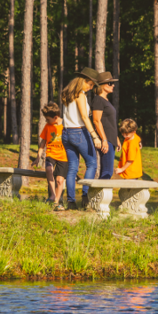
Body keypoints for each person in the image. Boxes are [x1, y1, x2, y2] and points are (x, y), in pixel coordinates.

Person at [61, 67, 102, 209]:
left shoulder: (67, 94)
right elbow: (84, 117)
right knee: (92, 163)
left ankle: (71, 202)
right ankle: (86, 197)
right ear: (84, 81)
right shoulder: (81, 95)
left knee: (72, 168)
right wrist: (95, 136)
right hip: (79, 132)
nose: (91, 88)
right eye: (90, 84)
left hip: (66, 133)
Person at [34, 102, 67, 210]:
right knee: (48, 168)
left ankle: (56, 202)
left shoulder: (66, 125)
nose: (46, 121)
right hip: (51, 154)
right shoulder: (48, 126)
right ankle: (52, 194)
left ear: (56, 117)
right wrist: (38, 157)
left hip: (63, 156)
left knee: (60, 180)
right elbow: (43, 143)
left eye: (48, 119)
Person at [92, 71, 121, 180]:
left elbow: (109, 122)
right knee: (107, 171)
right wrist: (104, 140)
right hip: (106, 140)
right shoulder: (98, 100)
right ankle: (99, 196)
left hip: (110, 139)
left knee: (108, 171)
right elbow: (96, 121)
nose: (113, 85)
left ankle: (100, 195)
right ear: (103, 85)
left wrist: (116, 138)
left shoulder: (106, 100)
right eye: (110, 83)